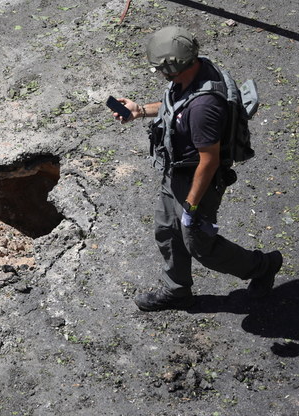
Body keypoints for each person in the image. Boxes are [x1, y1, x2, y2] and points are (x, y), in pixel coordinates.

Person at [112, 26, 283, 311]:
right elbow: (173, 107)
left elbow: (209, 161)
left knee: (201, 246)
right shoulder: (191, 76)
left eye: (161, 70)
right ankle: (177, 291)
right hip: (175, 172)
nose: (161, 75)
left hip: (197, 181)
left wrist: (191, 205)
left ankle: (264, 266)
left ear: (174, 66)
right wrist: (140, 110)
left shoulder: (204, 108)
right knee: (167, 230)